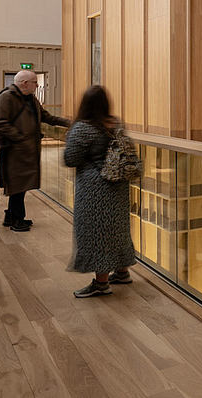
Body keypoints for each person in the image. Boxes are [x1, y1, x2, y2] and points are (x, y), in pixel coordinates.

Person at [64, 85, 136, 298]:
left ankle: (101, 283)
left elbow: (70, 159)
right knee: (117, 229)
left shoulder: (83, 128)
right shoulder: (115, 123)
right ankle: (122, 272)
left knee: (97, 233)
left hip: (94, 189)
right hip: (118, 185)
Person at [0, 70, 70, 232]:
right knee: (18, 186)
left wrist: (69, 123)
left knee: (20, 186)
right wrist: (20, 137)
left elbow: (47, 117)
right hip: (15, 151)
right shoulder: (7, 97)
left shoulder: (31, 99)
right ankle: (17, 220)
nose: (37, 85)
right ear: (24, 83)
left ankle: (11, 217)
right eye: (35, 82)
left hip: (27, 150)